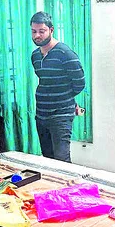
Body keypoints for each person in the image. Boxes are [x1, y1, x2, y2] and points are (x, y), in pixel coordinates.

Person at [30, 11, 85, 163]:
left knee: (62, 160)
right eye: (34, 31)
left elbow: (80, 83)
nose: (37, 35)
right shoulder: (35, 56)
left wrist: (63, 98)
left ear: (51, 30)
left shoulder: (65, 54)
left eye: (42, 31)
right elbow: (44, 80)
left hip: (61, 115)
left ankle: (69, 181)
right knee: (48, 159)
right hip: (41, 114)